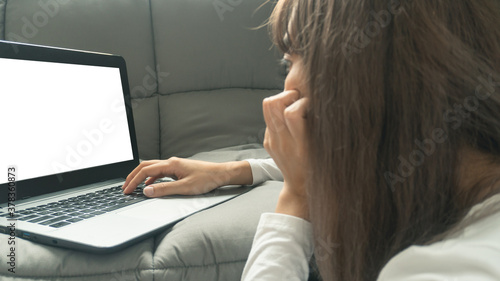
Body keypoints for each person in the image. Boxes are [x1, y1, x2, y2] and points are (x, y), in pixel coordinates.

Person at [239, 0, 500, 281]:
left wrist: (294, 199)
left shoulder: (435, 272)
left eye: (289, 62)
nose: (286, 89)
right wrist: (237, 171)